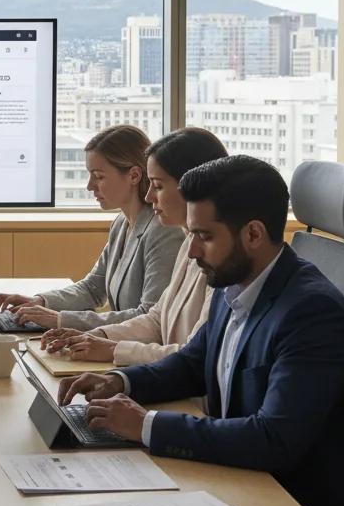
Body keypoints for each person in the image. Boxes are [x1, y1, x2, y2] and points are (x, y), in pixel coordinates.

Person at [58, 155, 344, 506]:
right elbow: (193, 363)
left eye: (204, 236)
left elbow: (273, 440)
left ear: (253, 234)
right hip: (243, 483)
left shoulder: (312, 314)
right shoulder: (232, 284)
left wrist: (147, 425)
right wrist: (119, 382)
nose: (193, 251)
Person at [41, 127, 227, 365]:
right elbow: (156, 318)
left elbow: (196, 355)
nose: (149, 196)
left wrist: (110, 348)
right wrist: (97, 337)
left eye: (158, 186)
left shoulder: (176, 235)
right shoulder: (185, 238)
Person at [0, 125, 183, 331]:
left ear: (134, 176)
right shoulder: (122, 222)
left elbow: (147, 315)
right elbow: (93, 287)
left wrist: (60, 320)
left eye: (99, 176)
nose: (90, 186)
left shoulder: (164, 231)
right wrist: (40, 302)